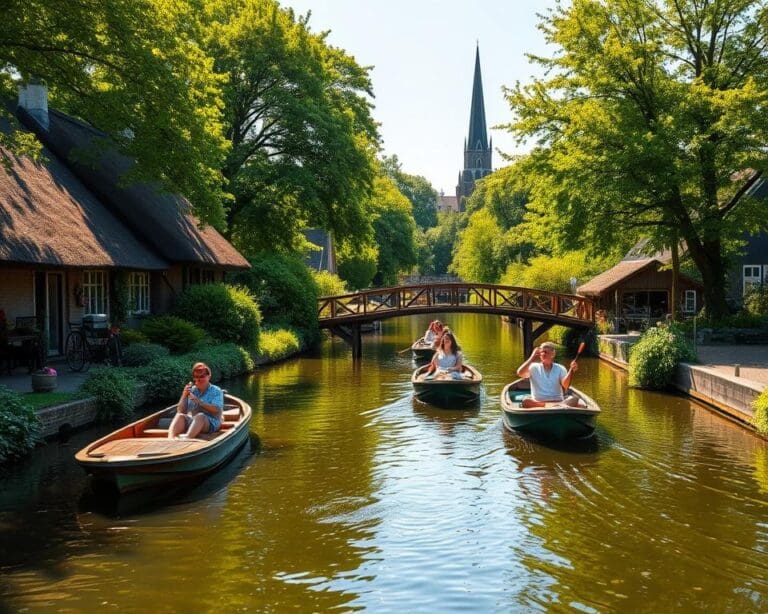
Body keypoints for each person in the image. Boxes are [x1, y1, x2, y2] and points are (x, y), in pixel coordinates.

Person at [168, 362, 224, 439]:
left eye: (202, 376)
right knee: (180, 416)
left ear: (209, 376)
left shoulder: (216, 390)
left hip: (211, 423)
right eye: (196, 376)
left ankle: (187, 438)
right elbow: (180, 411)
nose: (198, 379)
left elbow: (216, 409)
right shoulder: (192, 390)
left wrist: (199, 402)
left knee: (200, 416)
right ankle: (170, 439)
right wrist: (184, 395)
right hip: (193, 422)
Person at [516, 342, 580, 407]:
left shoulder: (560, 368)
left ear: (553, 354)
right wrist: (532, 357)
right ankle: (553, 406)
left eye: (546, 352)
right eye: (541, 352)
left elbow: (565, 385)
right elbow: (520, 373)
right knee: (526, 401)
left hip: (558, 401)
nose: (543, 354)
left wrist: (571, 371)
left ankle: (553, 405)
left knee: (574, 399)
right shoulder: (533, 367)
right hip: (539, 402)